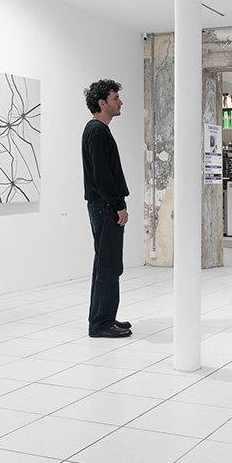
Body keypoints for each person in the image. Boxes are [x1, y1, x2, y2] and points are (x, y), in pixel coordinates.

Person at [82, 79, 132, 338]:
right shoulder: (97, 131)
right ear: (102, 103)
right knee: (107, 266)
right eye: (115, 98)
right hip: (105, 207)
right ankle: (101, 324)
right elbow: (103, 176)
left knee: (109, 264)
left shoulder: (99, 130)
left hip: (104, 206)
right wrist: (118, 205)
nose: (120, 102)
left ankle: (105, 318)